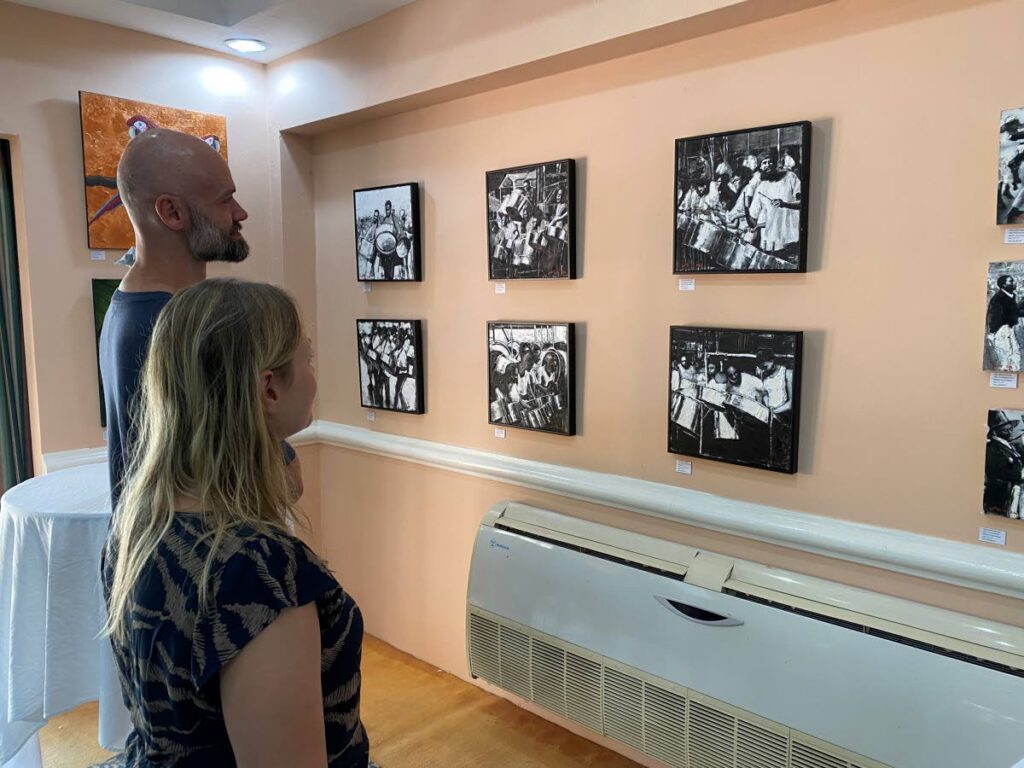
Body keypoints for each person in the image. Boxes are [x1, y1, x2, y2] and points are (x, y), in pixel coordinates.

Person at [103, 279, 369, 766]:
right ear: (268, 387)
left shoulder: (137, 522)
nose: (312, 373)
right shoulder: (257, 574)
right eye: (305, 358)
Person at [100, 128, 300, 511]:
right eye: (225, 200)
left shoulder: (128, 304)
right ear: (172, 212)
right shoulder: (178, 327)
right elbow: (283, 483)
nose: (240, 213)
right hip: (197, 562)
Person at [984, 410, 1024, 518]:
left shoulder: (1007, 446)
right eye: (1006, 429)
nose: (1010, 430)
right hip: (999, 497)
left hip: (1009, 494)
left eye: (1010, 428)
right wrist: (1020, 475)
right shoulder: (993, 447)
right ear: (996, 431)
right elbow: (999, 471)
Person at [987, 274, 1022, 371]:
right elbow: (993, 316)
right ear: (1004, 285)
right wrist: (993, 332)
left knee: (1014, 354)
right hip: (1001, 331)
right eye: (1010, 281)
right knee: (1006, 357)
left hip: (1008, 329)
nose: (1014, 283)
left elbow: (1014, 312)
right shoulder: (998, 299)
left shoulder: (1010, 296)